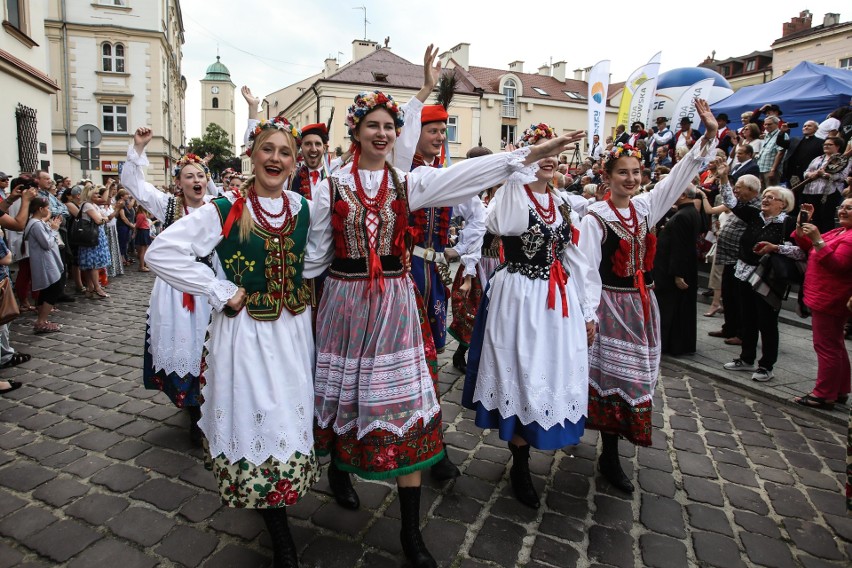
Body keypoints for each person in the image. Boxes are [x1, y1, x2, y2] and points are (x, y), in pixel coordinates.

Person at [308, 71, 580, 568]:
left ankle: (412, 532)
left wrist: (535, 154)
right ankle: (340, 472)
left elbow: (470, 178)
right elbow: (314, 258)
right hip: (344, 304)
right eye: (373, 124)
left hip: (393, 301)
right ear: (357, 131)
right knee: (342, 396)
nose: (383, 133)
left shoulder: (409, 181)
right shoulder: (329, 186)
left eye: (390, 125)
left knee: (410, 403)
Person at [146, 115, 319, 568]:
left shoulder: (304, 208)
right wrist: (220, 289)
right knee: (257, 417)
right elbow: (161, 251)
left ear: (296, 161)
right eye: (268, 149)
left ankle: (279, 503)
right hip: (245, 335)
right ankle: (278, 532)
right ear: (252, 153)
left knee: (286, 417)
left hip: (293, 334)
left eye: (285, 152)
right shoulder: (225, 210)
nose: (275, 159)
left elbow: (321, 257)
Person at [578, 99, 718, 493]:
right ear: (606, 177)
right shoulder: (595, 219)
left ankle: (612, 449)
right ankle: (609, 453)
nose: (631, 178)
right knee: (610, 376)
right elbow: (586, 271)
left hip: (642, 304)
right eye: (623, 172)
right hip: (610, 307)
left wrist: (707, 135)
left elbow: (677, 177)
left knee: (637, 378)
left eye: (636, 172)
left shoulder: (644, 208)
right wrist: (589, 315)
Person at [462, 123, 593, 510]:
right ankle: (519, 460)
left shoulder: (566, 204)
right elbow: (505, 226)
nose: (549, 157)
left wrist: (587, 308)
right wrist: (519, 170)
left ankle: (534, 443)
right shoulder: (512, 196)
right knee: (520, 370)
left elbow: (576, 258)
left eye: (553, 151)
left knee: (547, 370)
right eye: (540, 149)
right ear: (526, 155)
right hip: (518, 295)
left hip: (557, 301)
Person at [121, 128, 221, 446]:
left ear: (207, 180)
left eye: (200, 176)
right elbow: (134, 185)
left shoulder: (217, 207)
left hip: (208, 286)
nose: (195, 181)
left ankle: (209, 403)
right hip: (176, 292)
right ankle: (192, 410)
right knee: (186, 346)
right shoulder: (167, 205)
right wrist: (138, 149)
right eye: (188, 176)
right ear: (179, 182)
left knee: (210, 346)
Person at [719, 177, 802, 382]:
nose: (765, 200)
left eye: (771, 198)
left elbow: (801, 251)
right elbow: (731, 202)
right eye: (764, 196)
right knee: (746, 317)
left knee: (767, 322)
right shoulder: (755, 216)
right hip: (744, 272)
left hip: (768, 278)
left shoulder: (789, 223)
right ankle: (746, 358)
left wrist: (776, 248)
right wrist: (723, 178)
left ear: (783, 204)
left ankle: (766, 366)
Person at [788, 199, 852, 408]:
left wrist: (817, 238)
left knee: (826, 346)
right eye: (841, 206)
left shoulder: (849, 238)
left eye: (849, 208)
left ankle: (824, 394)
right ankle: (839, 389)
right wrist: (802, 223)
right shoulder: (839, 232)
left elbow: (837, 265)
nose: (843, 210)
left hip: (831, 298)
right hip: (823, 295)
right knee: (835, 345)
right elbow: (807, 244)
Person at [707, 174, 762, 345]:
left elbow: (731, 202)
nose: (736, 189)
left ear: (751, 190)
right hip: (730, 258)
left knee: (739, 299)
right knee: (729, 296)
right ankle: (729, 328)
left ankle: (742, 333)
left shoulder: (756, 208)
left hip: (742, 259)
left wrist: (723, 179)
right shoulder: (744, 204)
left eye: (739, 186)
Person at [654, 186, 704, 355]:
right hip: (674, 268)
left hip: (672, 271)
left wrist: (678, 274)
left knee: (670, 308)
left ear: (682, 195)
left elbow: (680, 247)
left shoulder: (683, 216)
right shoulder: (689, 212)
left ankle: (670, 344)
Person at [24, 198, 64, 334]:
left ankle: (42, 320)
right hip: (45, 262)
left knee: (48, 289)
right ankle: (41, 321)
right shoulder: (35, 224)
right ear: (40, 209)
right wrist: (54, 229)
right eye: (47, 207)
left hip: (47, 260)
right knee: (53, 289)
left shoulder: (38, 222)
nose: (49, 210)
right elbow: (46, 244)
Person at [800, 136, 852, 233]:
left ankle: (826, 239)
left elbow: (842, 177)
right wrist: (811, 174)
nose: (826, 146)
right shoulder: (817, 159)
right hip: (812, 191)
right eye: (825, 144)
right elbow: (806, 172)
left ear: (837, 146)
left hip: (829, 193)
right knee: (814, 218)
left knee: (826, 218)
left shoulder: (844, 160)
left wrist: (824, 175)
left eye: (830, 144)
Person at [77, 185, 115, 299]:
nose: (98, 195)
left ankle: (90, 288)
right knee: (93, 264)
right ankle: (97, 288)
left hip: (95, 234)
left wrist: (103, 218)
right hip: (92, 236)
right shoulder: (87, 205)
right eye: (95, 193)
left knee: (91, 265)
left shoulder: (92, 205)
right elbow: (99, 220)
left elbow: (105, 217)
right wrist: (103, 219)